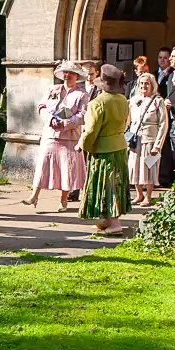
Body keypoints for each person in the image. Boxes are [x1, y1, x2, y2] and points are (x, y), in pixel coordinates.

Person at [22, 61, 88, 212]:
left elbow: (83, 114)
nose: (67, 75)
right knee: (43, 164)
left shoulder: (82, 94)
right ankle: (34, 196)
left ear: (76, 76)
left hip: (69, 137)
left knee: (67, 168)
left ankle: (64, 200)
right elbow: (41, 107)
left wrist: (66, 123)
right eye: (65, 72)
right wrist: (50, 119)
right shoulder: (52, 89)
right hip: (51, 134)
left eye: (71, 73)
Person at [77, 64, 131, 236]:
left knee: (107, 185)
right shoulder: (123, 99)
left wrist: (82, 145)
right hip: (120, 146)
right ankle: (108, 219)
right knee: (116, 183)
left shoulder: (97, 103)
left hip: (103, 150)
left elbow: (91, 130)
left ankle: (115, 224)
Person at [127, 73, 169, 206]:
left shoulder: (158, 101)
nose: (144, 86)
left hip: (150, 140)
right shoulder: (133, 100)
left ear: (152, 85)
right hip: (135, 139)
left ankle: (149, 196)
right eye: (141, 83)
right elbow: (128, 121)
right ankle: (139, 195)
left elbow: (163, 124)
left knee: (149, 167)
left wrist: (158, 145)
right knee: (134, 167)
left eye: (147, 83)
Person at [67, 59, 100, 202]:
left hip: (91, 128)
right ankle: (74, 190)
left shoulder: (100, 89)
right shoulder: (78, 88)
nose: (89, 77)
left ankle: (89, 191)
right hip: (78, 128)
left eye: (92, 74)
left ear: (97, 73)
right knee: (76, 161)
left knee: (90, 161)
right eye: (86, 74)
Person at [154, 47, 175, 187]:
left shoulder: (173, 74)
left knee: (166, 146)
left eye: (165, 58)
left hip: (168, 113)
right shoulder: (154, 74)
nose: (162, 60)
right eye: (160, 57)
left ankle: (165, 177)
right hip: (154, 113)